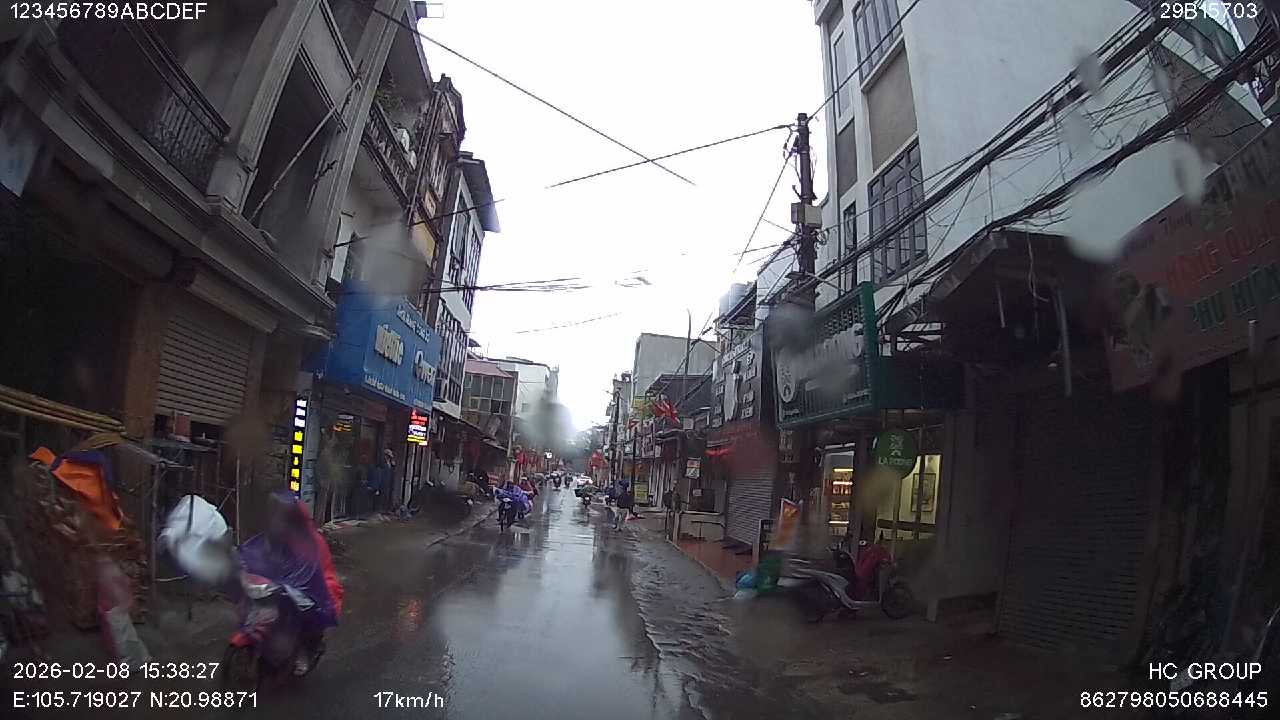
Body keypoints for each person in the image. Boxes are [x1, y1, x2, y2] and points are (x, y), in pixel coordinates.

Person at [236, 491, 343, 674]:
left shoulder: (312, 541)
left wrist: (291, 583)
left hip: (320, 588)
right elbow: (257, 551)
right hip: (287, 584)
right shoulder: (277, 536)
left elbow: (312, 572)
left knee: (308, 614)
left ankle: (306, 651)